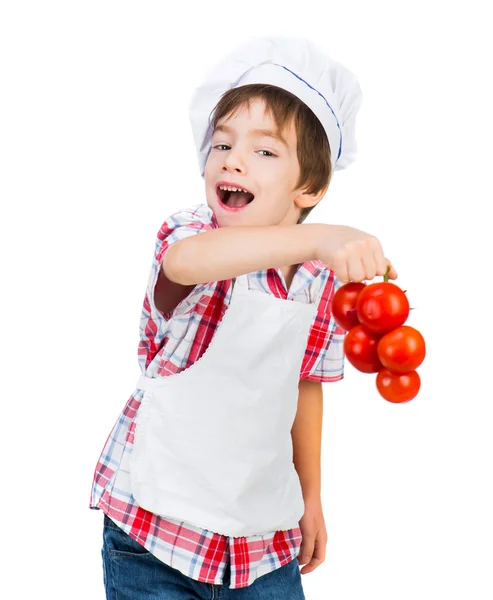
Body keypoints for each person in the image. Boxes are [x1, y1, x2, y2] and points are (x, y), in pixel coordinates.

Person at [89, 35, 398, 598]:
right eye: (222, 143)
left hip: (260, 540)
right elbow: (189, 263)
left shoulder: (319, 280)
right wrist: (321, 237)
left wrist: (311, 497)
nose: (232, 158)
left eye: (264, 151)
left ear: (311, 185)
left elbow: (306, 384)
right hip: (153, 533)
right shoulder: (189, 236)